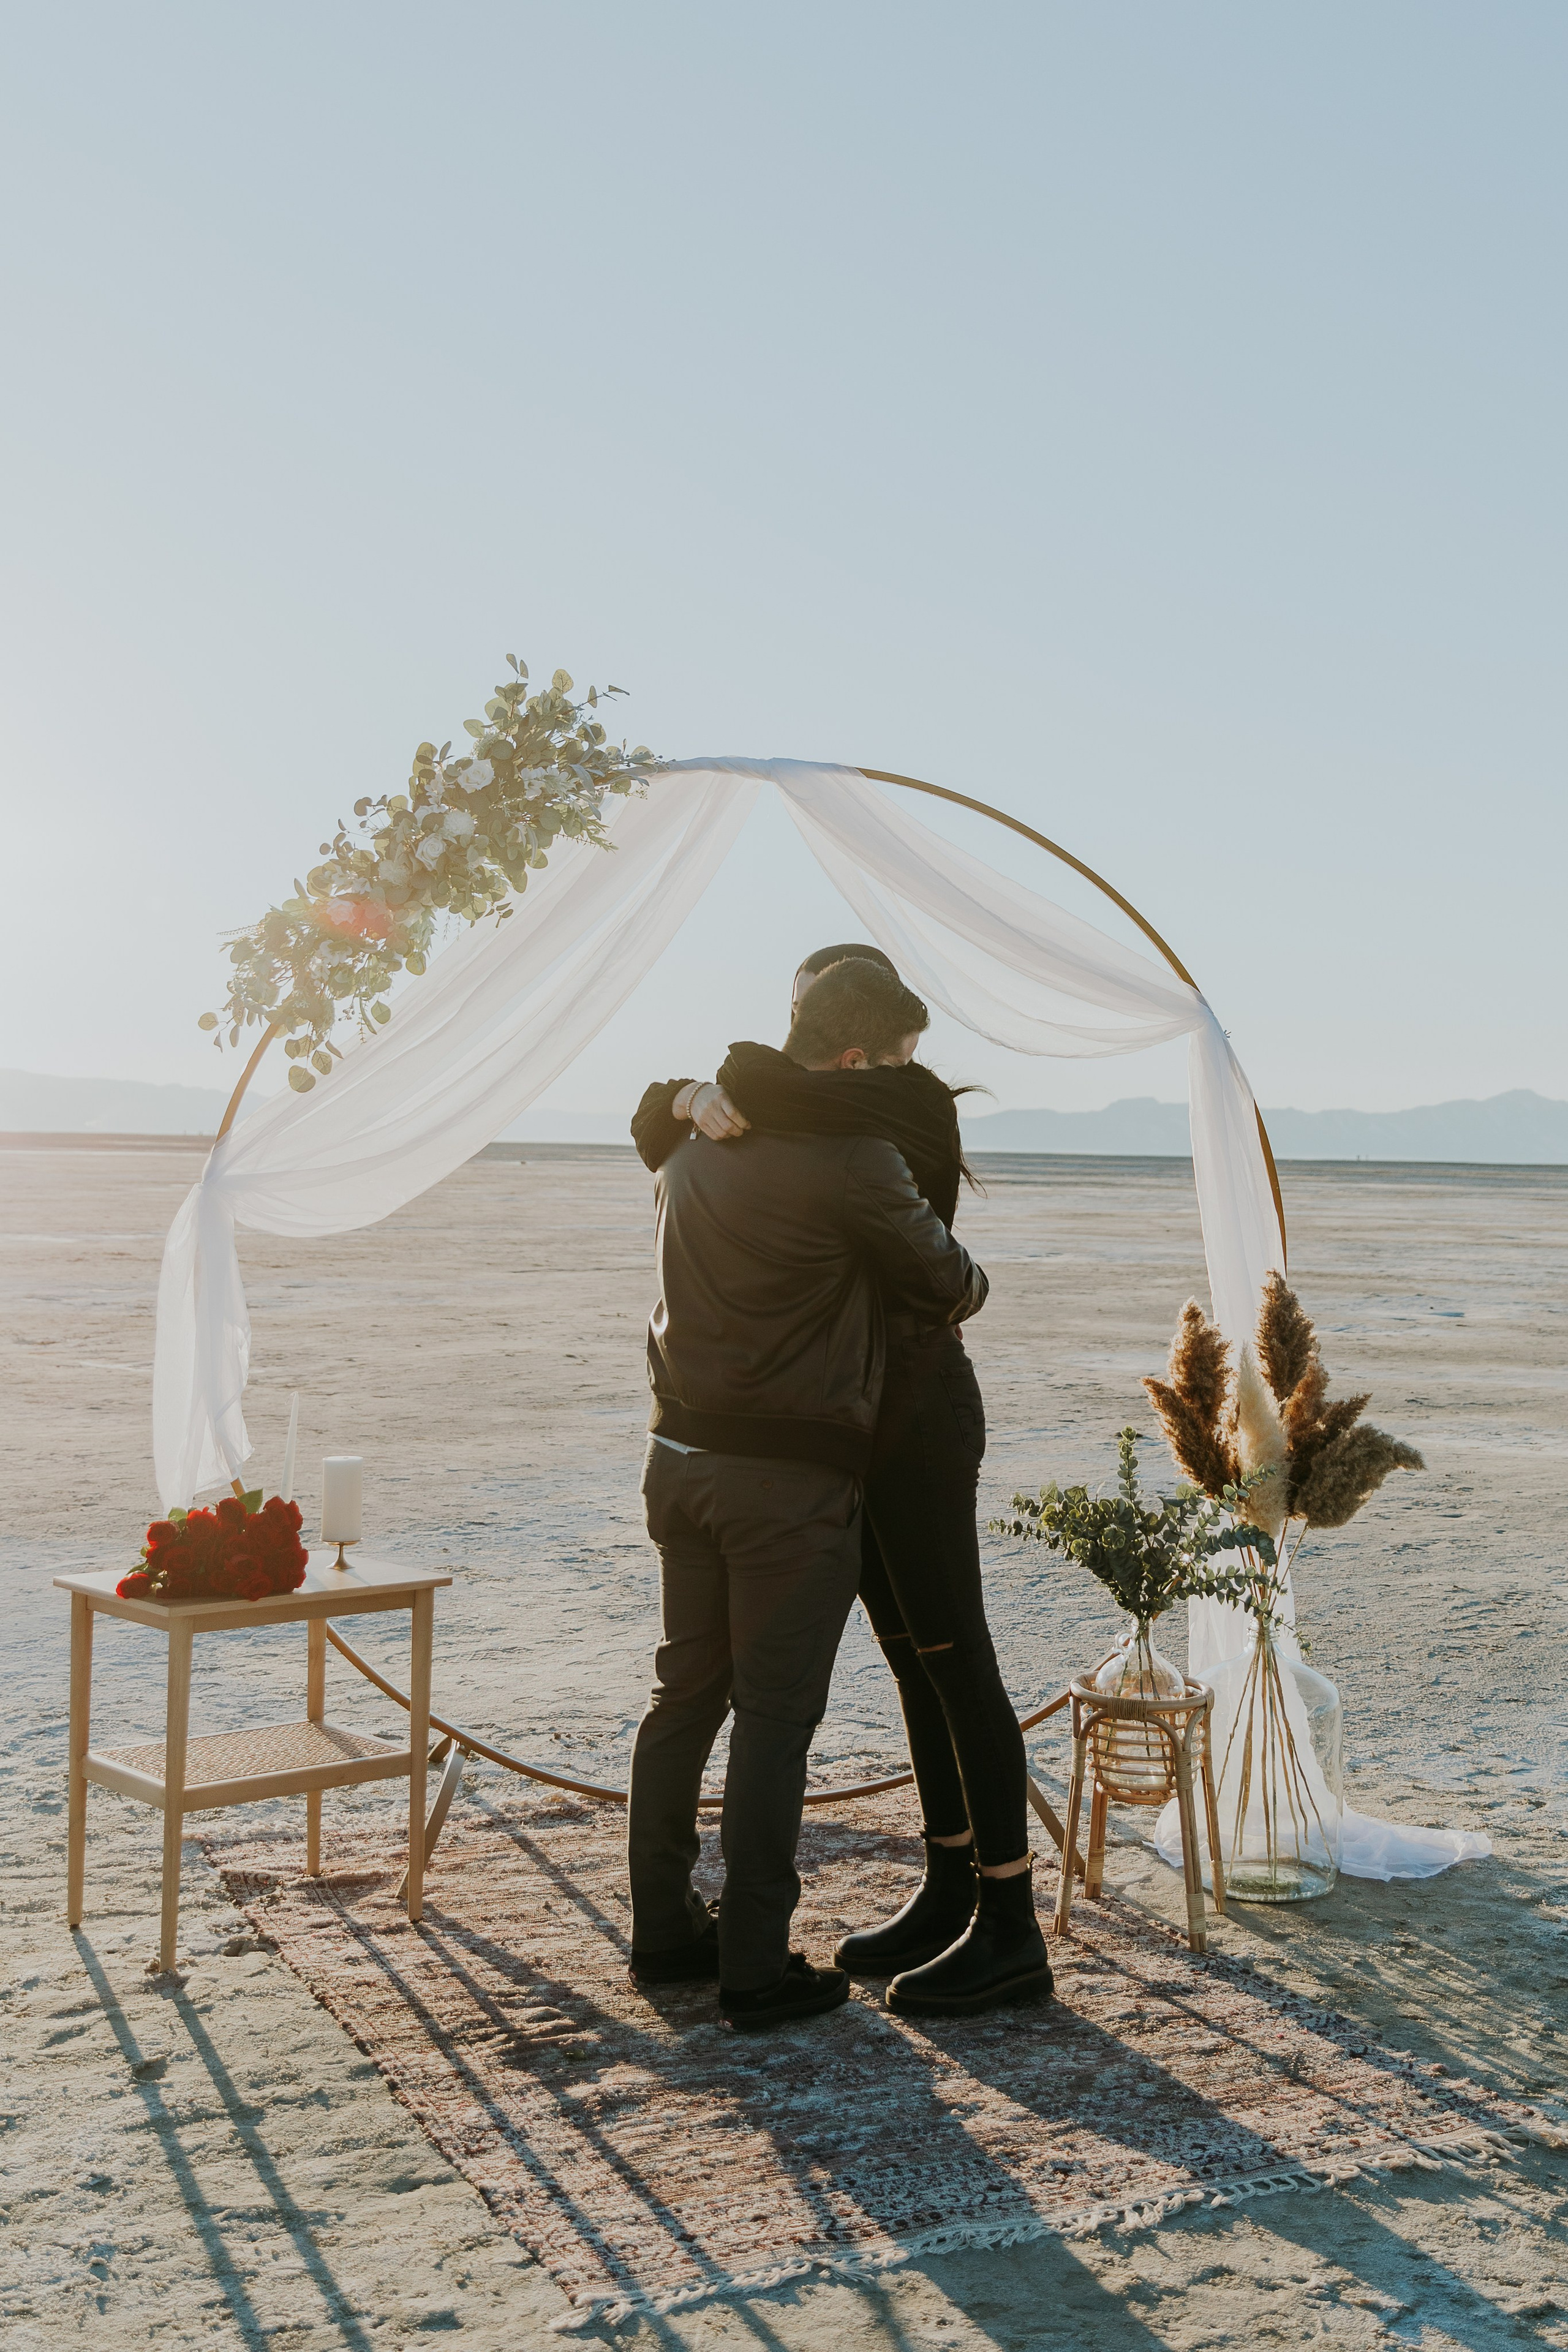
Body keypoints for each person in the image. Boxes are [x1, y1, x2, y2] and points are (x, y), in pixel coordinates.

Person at [631, 946, 1052, 2019]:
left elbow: (774, 1094)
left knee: (959, 1664)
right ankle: (949, 1883)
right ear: (853, 1047)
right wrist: (689, 1095)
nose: (915, 1067)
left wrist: (708, 1088)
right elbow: (697, 1111)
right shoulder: (793, 1115)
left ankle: (1009, 1925)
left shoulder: (900, 1113)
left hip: (916, 1427)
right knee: (913, 1668)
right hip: (835, 1437)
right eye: (902, 1048)